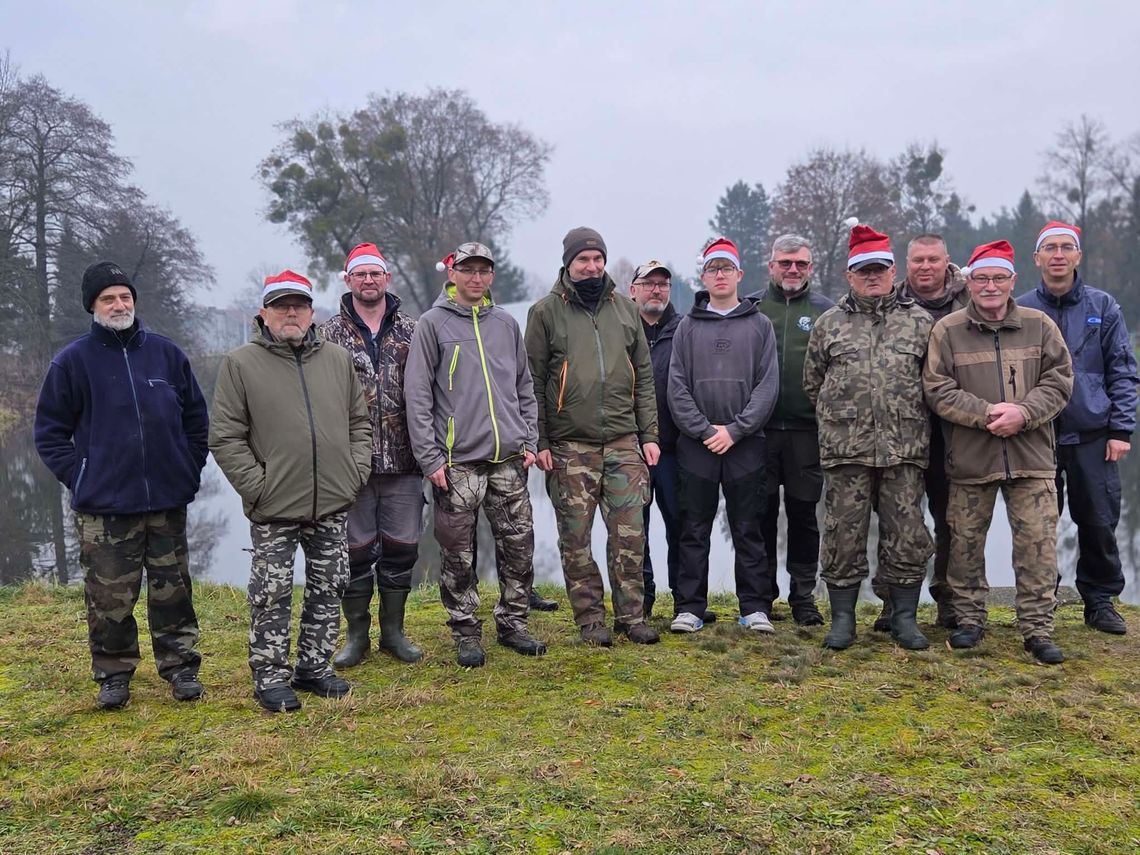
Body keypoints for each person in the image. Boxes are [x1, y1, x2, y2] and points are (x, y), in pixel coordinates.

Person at [35, 261, 209, 710]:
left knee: (173, 591)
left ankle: (181, 667)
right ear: (92, 306)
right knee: (109, 598)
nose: (119, 304)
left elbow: (196, 420)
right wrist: (82, 476)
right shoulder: (73, 361)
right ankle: (114, 673)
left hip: (167, 500)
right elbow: (50, 433)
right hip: (105, 507)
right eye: (108, 298)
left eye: (125, 296)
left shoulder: (167, 354)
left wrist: (187, 469)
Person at [210, 270, 371, 712]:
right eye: (281, 305)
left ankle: (314, 668)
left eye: (299, 304)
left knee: (329, 584)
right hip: (274, 505)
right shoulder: (241, 364)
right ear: (263, 312)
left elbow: (360, 422)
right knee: (272, 592)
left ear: (311, 310)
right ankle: (270, 677)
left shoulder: (337, 359)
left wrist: (355, 471)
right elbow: (225, 436)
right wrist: (257, 487)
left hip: (333, 501)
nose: (291, 313)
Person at [924, 240, 1074, 664]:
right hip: (971, 458)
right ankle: (970, 621)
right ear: (969, 282)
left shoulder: (1040, 324)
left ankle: (1038, 629)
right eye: (981, 278)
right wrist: (988, 413)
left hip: (1032, 458)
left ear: (1013, 281)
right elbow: (937, 389)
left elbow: (1060, 381)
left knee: (1038, 546)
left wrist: (1023, 414)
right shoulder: (948, 330)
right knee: (965, 545)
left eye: (998, 278)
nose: (990, 286)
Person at [405, 242, 546, 666]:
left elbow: (525, 386)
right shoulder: (432, 325)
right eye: (467, 269)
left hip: (507, 459)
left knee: (518, 544)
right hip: (457, 462)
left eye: (484, 270)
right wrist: (430, 459)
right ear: (452, 274)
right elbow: (417, 396)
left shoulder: (505, 324)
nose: (476, 277)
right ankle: (466, 630)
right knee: (458, 552)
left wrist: (529, 440)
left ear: (491, 276)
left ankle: (514, 623)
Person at [525, 227, 660, 646]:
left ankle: (631, 617)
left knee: (630, 535)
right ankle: (590, 620)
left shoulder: (624, 308)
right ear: (569, 263)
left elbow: (644, 378)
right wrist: (540, 441)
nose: (592, 266)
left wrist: (649, 434)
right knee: (576, 539)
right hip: (570, 445)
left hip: (623, 441)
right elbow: (531, 380)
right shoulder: (545, 312)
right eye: (583, 259)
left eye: (598, 259)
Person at [803, 225, 934, 651]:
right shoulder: (829, 324)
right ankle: (842, 619)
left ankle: (904, 616)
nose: (872, 276)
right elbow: (813, 383)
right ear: (849, 274)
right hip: (846, 452)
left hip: (904, 449)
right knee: (842, 534)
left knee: (907, 533)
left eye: (879, 269)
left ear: (894, 271)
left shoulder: (920, 323)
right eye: (864, 270)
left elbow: (934, 383)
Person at [1017, 221, 1138, 636]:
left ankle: (1100, 600)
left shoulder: (1103, 307)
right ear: (1036, 258)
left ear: (1078, 256)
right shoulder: (1022, 308)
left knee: (1098, 520)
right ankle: (1040, 598)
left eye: (1066, 247)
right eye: (1049, 247)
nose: (1058, 254)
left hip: (1093, 435)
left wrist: (1121, 429)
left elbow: (1123, 371)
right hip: (1036, 437)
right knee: (1037, 523)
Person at [319, 243, 425, 667]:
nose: (368, 280)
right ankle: (356, 637)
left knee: (403, 548)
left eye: (375, 273)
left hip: (405, 460)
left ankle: (394, 634)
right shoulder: (327, 334)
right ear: (348, 280)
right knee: (355, 551)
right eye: (359, 274)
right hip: (351, 464)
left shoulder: (414, 331)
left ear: (387, 278)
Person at [668, 237, 779, 634]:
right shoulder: (686, 326)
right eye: (712, 269)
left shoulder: (759, 324)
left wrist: (735, 430)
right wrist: (703, 430)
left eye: (726, 268)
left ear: (739, 274)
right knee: (693, 528)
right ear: (703, 275)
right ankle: (690, 608)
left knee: (748, 526)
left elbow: (767, 385)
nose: (719, 275)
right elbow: (676, 386)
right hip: (696, 444)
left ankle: (754, 607)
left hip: (745, 443)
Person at [871, 234, 968, 632]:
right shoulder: (885, 303)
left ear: (947, 262)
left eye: (933, 259)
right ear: (904, 265)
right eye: (917, 260)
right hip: (899, 434)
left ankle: (949, 599)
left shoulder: (969, 303)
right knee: (897, 518)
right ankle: (892, 600)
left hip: (955, 432)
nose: (925, 267)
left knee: (952, 519)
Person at [753, 234, 834, 626]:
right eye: (785, 263)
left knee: (803, 518)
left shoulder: (826, 311)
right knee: (761, 516)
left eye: (801, 264)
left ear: (810, 268)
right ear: (771, 266)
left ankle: (803, 597)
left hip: (807, 432)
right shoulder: (751, 308)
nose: (793, 270)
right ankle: (761, 597)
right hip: (759, 432)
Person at [628, 259, 697, 621]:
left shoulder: (685, 329)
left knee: (681, 528)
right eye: (648, 283)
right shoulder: (622, 332)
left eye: (663, 284)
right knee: (634, 531)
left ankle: (685, 603)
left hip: (676, 448)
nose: (656, 289)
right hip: (631, 449)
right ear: (633, 290)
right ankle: (642, 599)